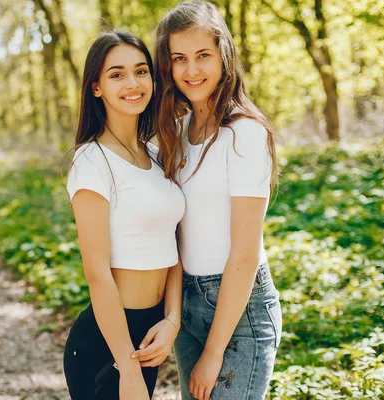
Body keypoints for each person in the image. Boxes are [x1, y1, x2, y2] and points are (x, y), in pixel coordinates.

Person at [152, 1, 283, 399]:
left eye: (203, 55)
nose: (192, 70)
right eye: (180, 58)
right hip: (188, 302)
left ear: (223, 55)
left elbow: (244, 253)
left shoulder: (244, 133)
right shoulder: (173, 134)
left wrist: (213, 353)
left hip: (238, 312)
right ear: (168, 67)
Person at [63, 30, 186, 400]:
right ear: (96, 87)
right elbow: (97, 273)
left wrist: (172, 321)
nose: (132, 83)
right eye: (116, 74)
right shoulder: (91, 162)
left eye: (141, 71)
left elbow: (173, 244)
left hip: (151, 331)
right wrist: (126, 367)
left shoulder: (156, 154)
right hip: (108, 344)